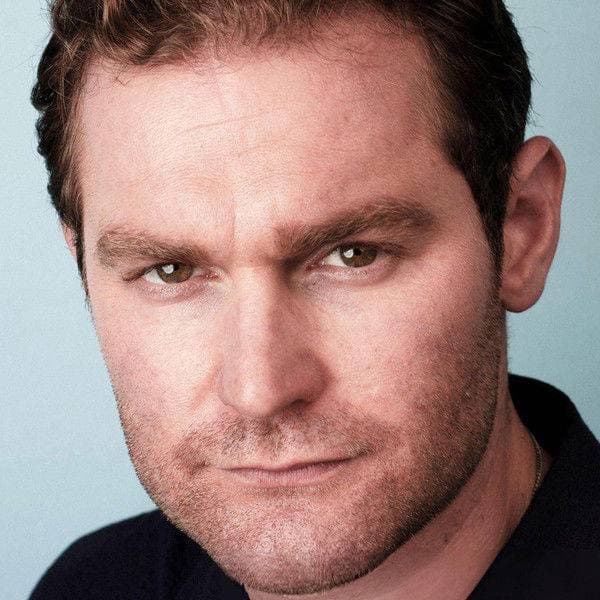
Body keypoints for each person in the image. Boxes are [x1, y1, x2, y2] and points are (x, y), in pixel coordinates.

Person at [28, 1, 600, 599]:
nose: (260, 391)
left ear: (521, 230)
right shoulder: (89, 586)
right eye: (170, 271)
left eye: (354, 255)